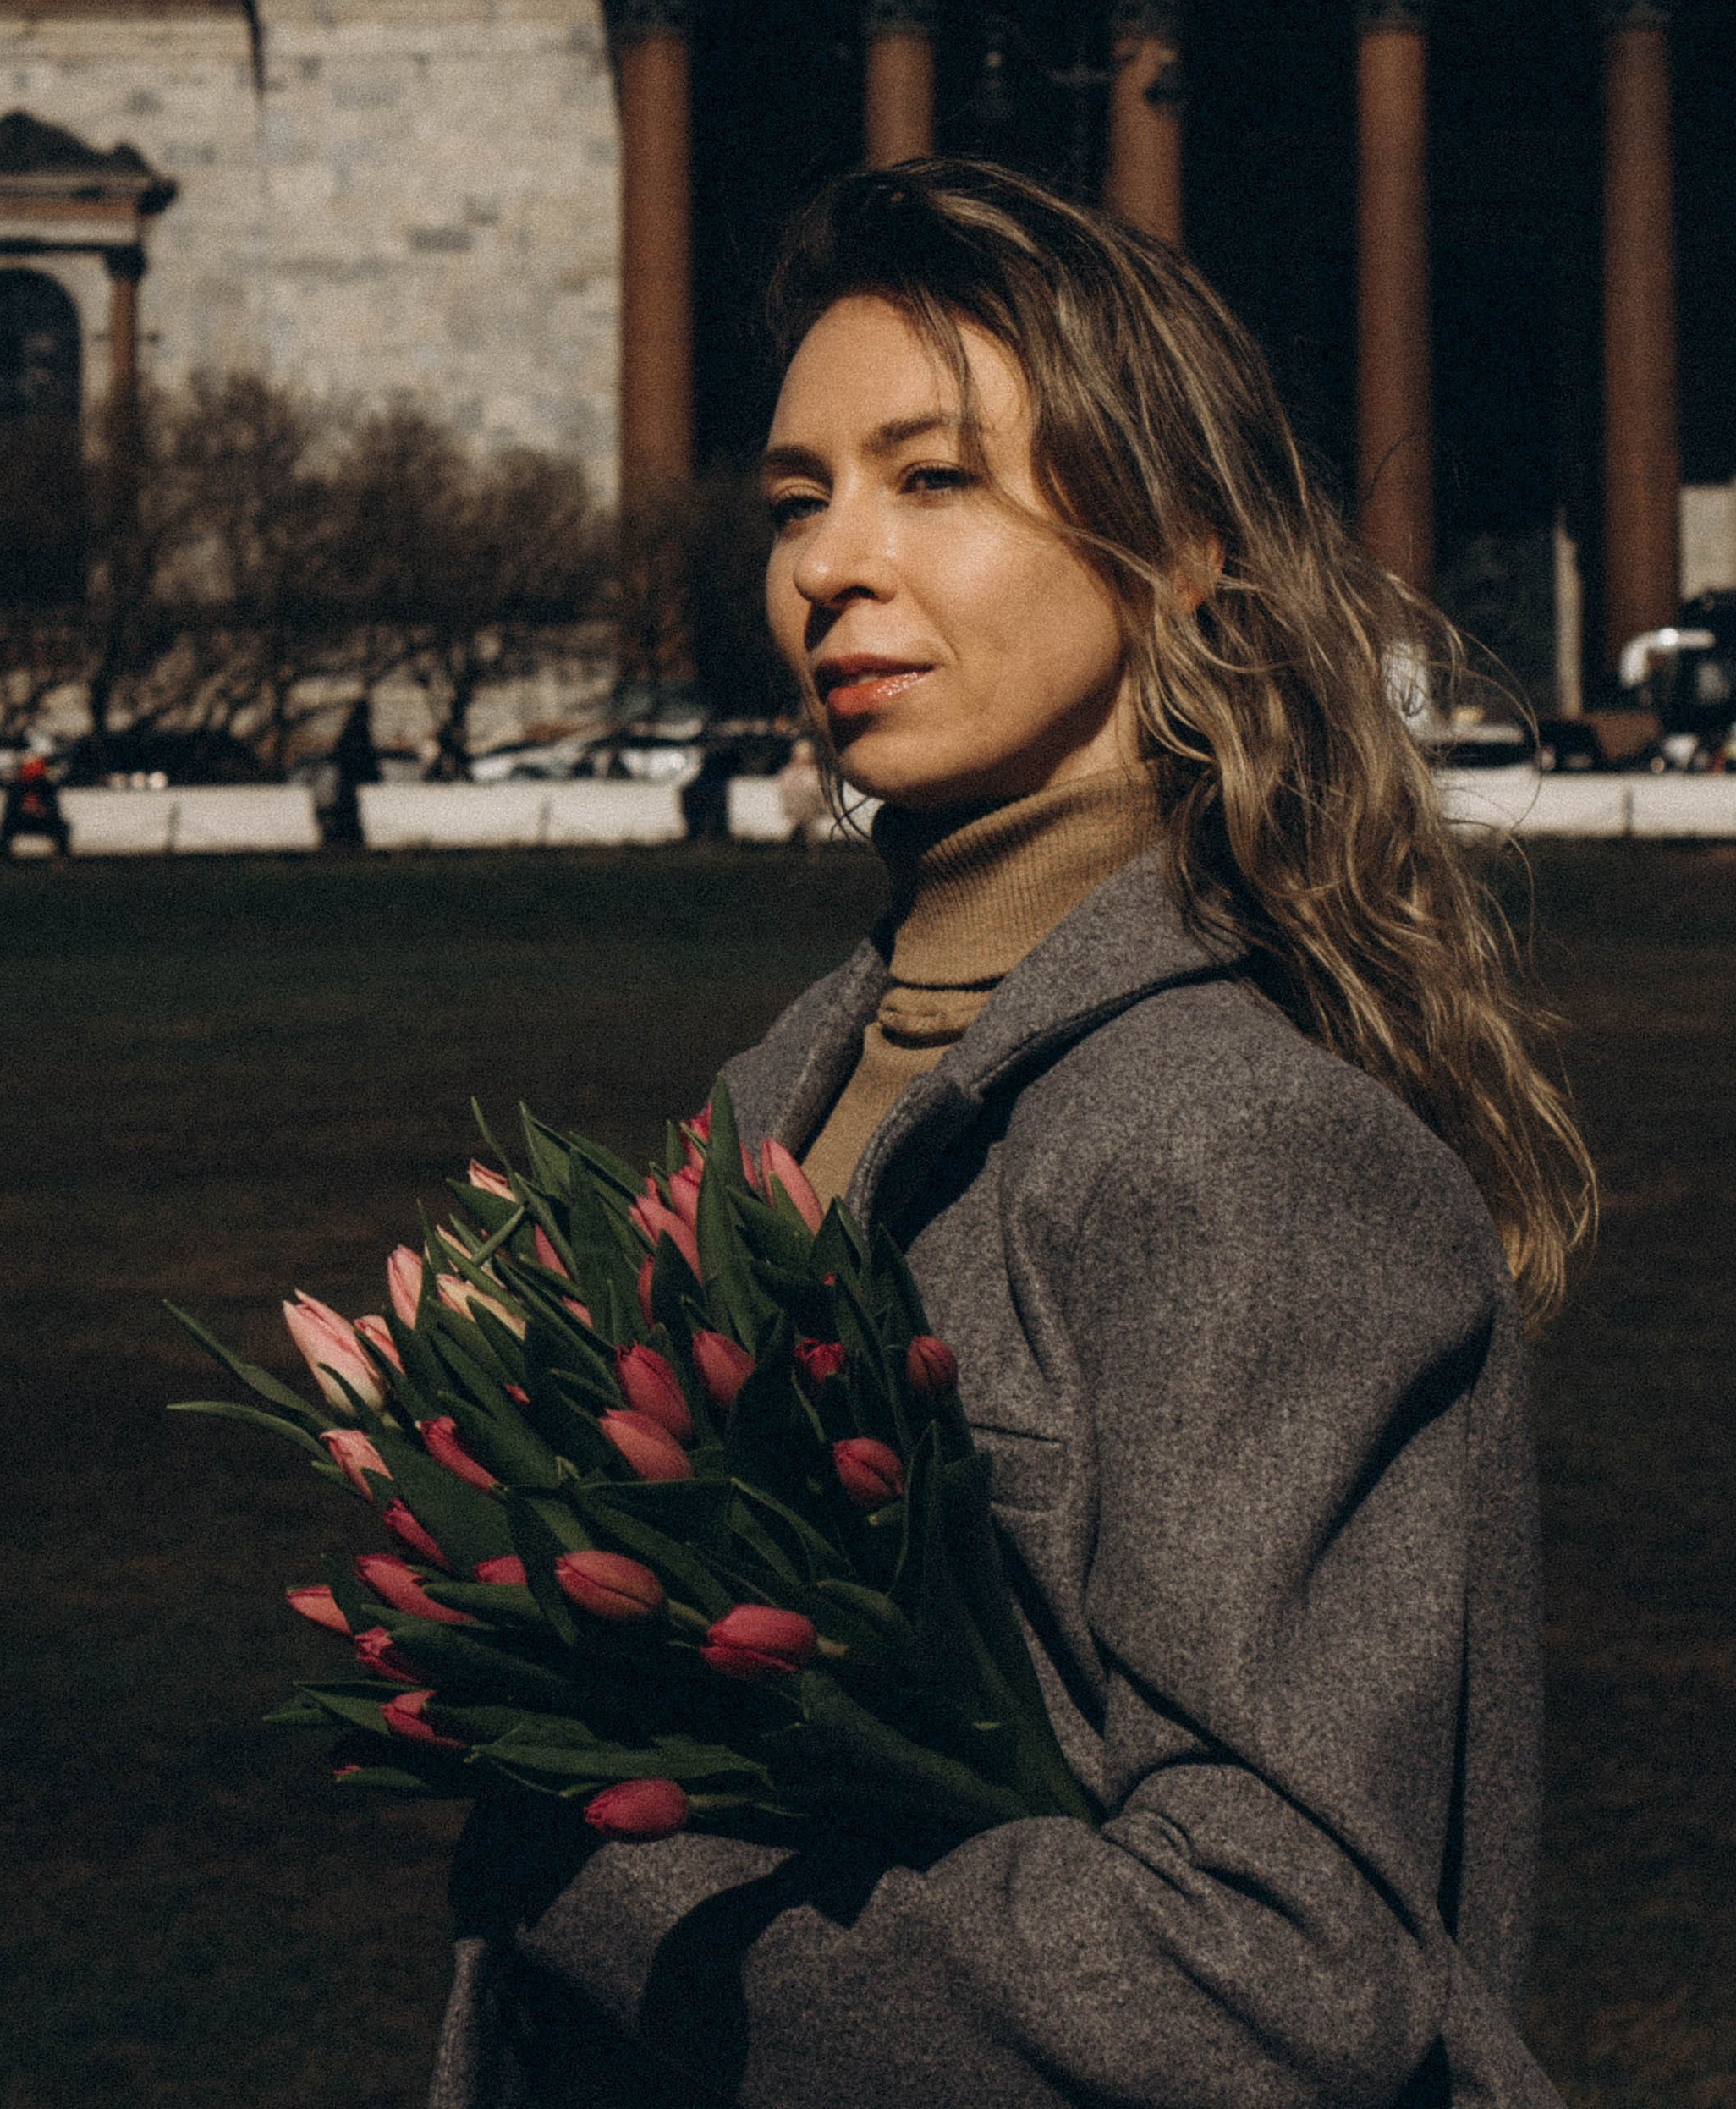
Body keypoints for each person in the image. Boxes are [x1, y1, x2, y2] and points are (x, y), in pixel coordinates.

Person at [432, 159, 1594, 2109]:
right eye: (797, 497)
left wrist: (597, 1874)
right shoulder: (774, 1091)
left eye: (932, 478)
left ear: (1181, 546)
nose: (826, 563)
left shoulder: (1241, 1150)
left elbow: (1272, 1983)